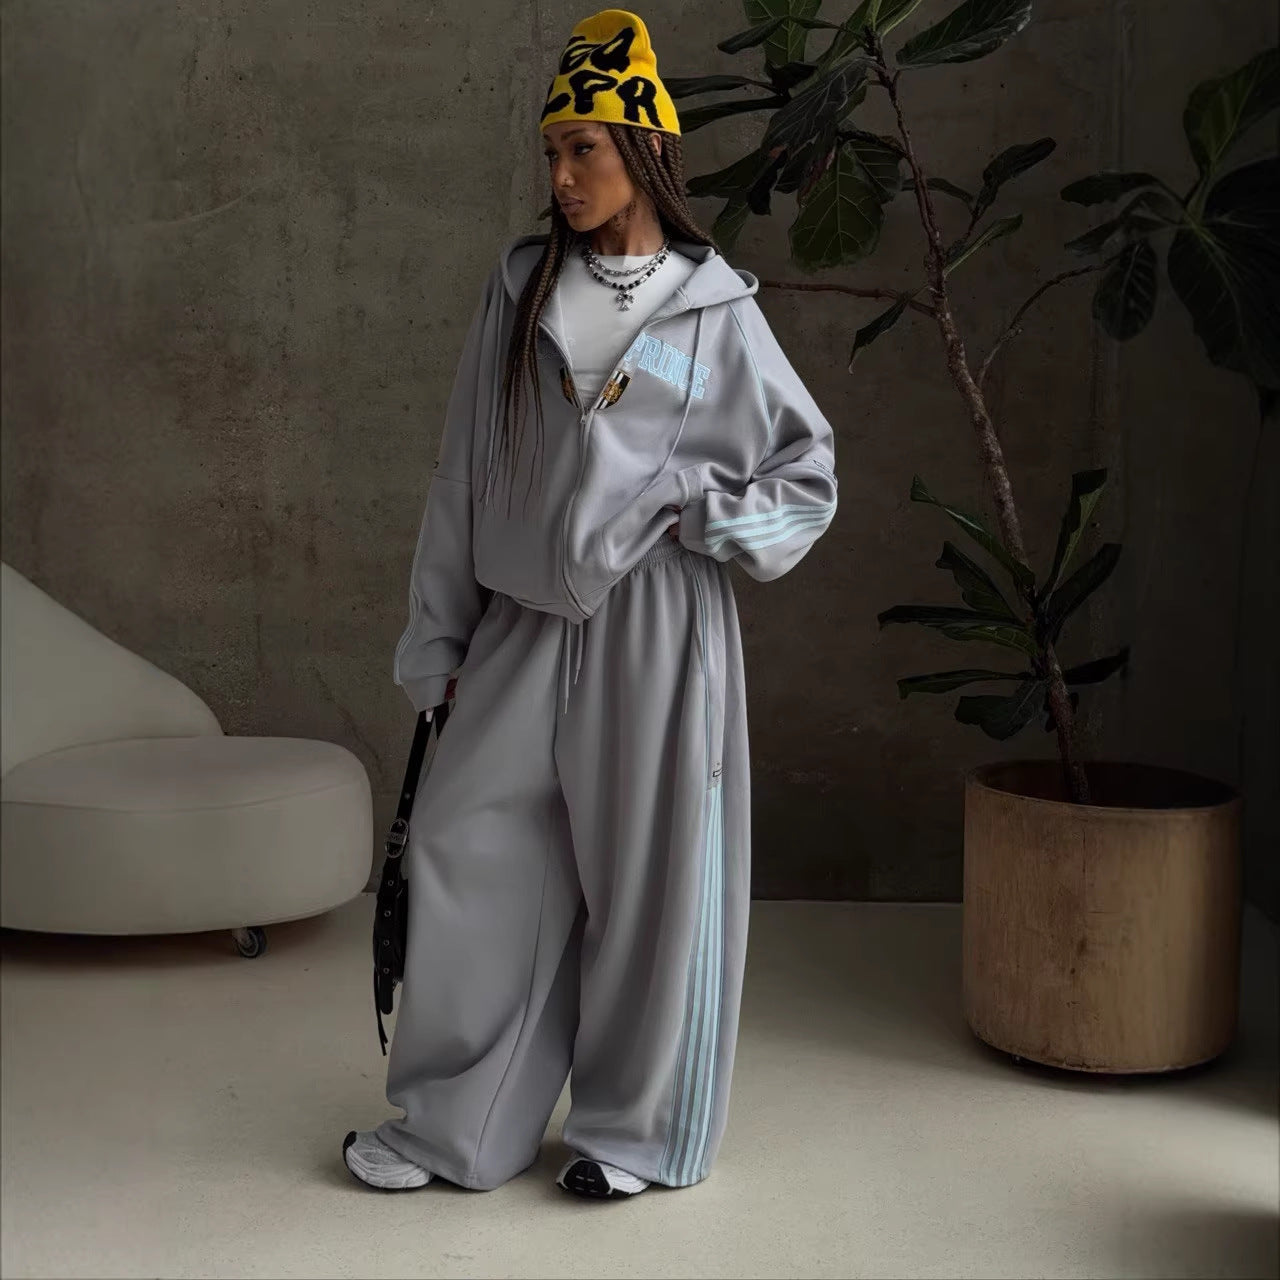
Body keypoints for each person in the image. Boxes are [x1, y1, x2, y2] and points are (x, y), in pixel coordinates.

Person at [342, 7, 838, 1201]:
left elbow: (804, 472)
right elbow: (463, 471)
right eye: (551, 152)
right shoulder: (520, 288)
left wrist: (704, 516)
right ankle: (454, 1128)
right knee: (471, 855)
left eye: (584, 150)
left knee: (651, 879)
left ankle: (632, 1133)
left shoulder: (714, 306)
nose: (561, 177)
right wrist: (437, 635)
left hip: (659, 628)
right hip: (517, 622)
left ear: (645, 152)